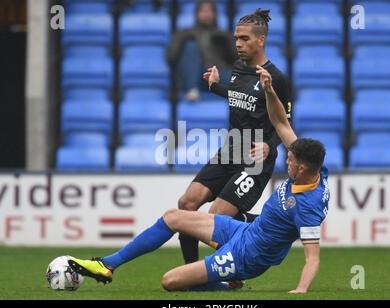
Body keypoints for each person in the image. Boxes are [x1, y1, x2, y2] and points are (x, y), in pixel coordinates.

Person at [68, 65, 330, 293]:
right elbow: (281, 122)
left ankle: (223, 284)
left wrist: (301, 290)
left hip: (247, 256)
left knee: (170, 282)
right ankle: (108, 264)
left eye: (291, 161)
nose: (287, 161)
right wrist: (270, 91)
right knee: (174, 215)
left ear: (304, 167)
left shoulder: (308, 205)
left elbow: (313, 258)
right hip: (247, 231)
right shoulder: (314, 166)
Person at [176, 8, 292, 266]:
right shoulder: (239, 68)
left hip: (255, 159)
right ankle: (190, 273)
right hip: (231, 148)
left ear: (261, 40)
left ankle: (260, 229)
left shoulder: (276, 78)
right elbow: (240, 98)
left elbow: (286, 121)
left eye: (244, 39)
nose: (238, 44)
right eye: (236, 38)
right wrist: (216, 86)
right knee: (187, 203)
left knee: (216, 216)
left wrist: (269, 146)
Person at [167, 0, 237, 101]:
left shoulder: (222, 35)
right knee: (190, 46)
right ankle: (192, 91)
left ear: (214, 14)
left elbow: (237, 61)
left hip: (218, 75)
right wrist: (181, 41)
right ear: (197, 13)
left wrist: (228, 44)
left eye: (209, 11)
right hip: (194, 76)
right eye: (203, 11)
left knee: (243, 78)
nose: (206, 14)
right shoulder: (185, 34)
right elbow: (170, 57)